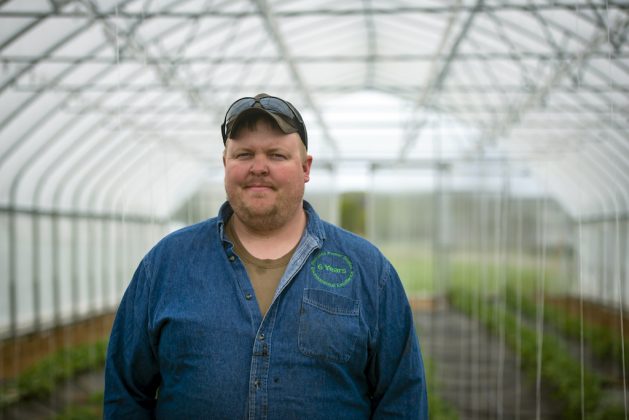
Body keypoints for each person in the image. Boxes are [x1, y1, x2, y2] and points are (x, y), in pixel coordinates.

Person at [104, 93, 428, 419]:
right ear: (225, 164)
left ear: (305, 167)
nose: (259, 168)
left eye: (276, 155)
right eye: (244, 154)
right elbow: (126, 394)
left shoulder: (369, 271)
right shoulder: (165, 265)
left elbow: (402, 400)